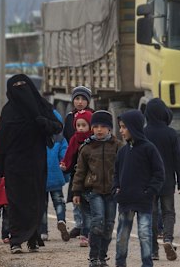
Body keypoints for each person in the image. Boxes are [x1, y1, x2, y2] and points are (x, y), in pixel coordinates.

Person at [0, 74, 63, 254]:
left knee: (36, 201)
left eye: (23, 84)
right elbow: (1, 140)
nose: (20, 88)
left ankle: (33, 237)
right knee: (16, 202)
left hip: (36, 163)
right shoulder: (8, 110)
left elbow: (58, 126)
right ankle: (16, 240)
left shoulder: (41, 106)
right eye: (16, 85)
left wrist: (44, 123)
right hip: (14, 164)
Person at [113, 110, 165, 267]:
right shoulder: (122, 151)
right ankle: (120, 262)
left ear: (134, 127)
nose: (121, 131)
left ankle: (147, 263)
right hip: (125, 201)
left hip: (144, 201)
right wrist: (116, 189)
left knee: (144, 233)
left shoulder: (149, 149)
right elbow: (116, 173)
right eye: (120, 127)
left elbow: (159, 174)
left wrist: (150, 192)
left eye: (124, 127)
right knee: (122, 235)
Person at [72, 110, 123, 267]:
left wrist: (123, 187)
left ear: (109, 128)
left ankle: (102, 256)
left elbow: (123, 169)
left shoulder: (118, 146)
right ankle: (93, 258)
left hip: (112, 192)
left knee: (109, 225)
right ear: (91, 128)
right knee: (97, 222)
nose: (99, 130)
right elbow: (80, 171)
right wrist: (76, 192)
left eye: (103, 126)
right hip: (93, 191)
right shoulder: (86, 148)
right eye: (96, 126)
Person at [144, 98, 180, 261]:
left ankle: (153, 250)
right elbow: (178, 159)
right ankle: (168, 239)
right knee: (168, 212)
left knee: (152, 214)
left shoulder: (144, 133)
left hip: (149, 182)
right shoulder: (171, 133)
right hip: (167, 180)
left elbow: (138, 159)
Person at [60, 109, 93, 247]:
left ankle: (94, 232)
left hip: (93, 179)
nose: (80, 128)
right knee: (83, 208)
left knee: (95, 208)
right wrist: (64, 165)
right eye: (78, 125)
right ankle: (85, 234)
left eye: (83, 125)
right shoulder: (74, 139)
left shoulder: (94, 139)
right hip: (79, 178)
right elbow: (69, 155)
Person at [40, 109, 70, 242]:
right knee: (59, 201)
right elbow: (65, 155)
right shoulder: (60, 139)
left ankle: (43, 231)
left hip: (41, 177)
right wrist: (64, 169)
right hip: (56, 176)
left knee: (42, 205)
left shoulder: (38, 139)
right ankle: (61, 219)